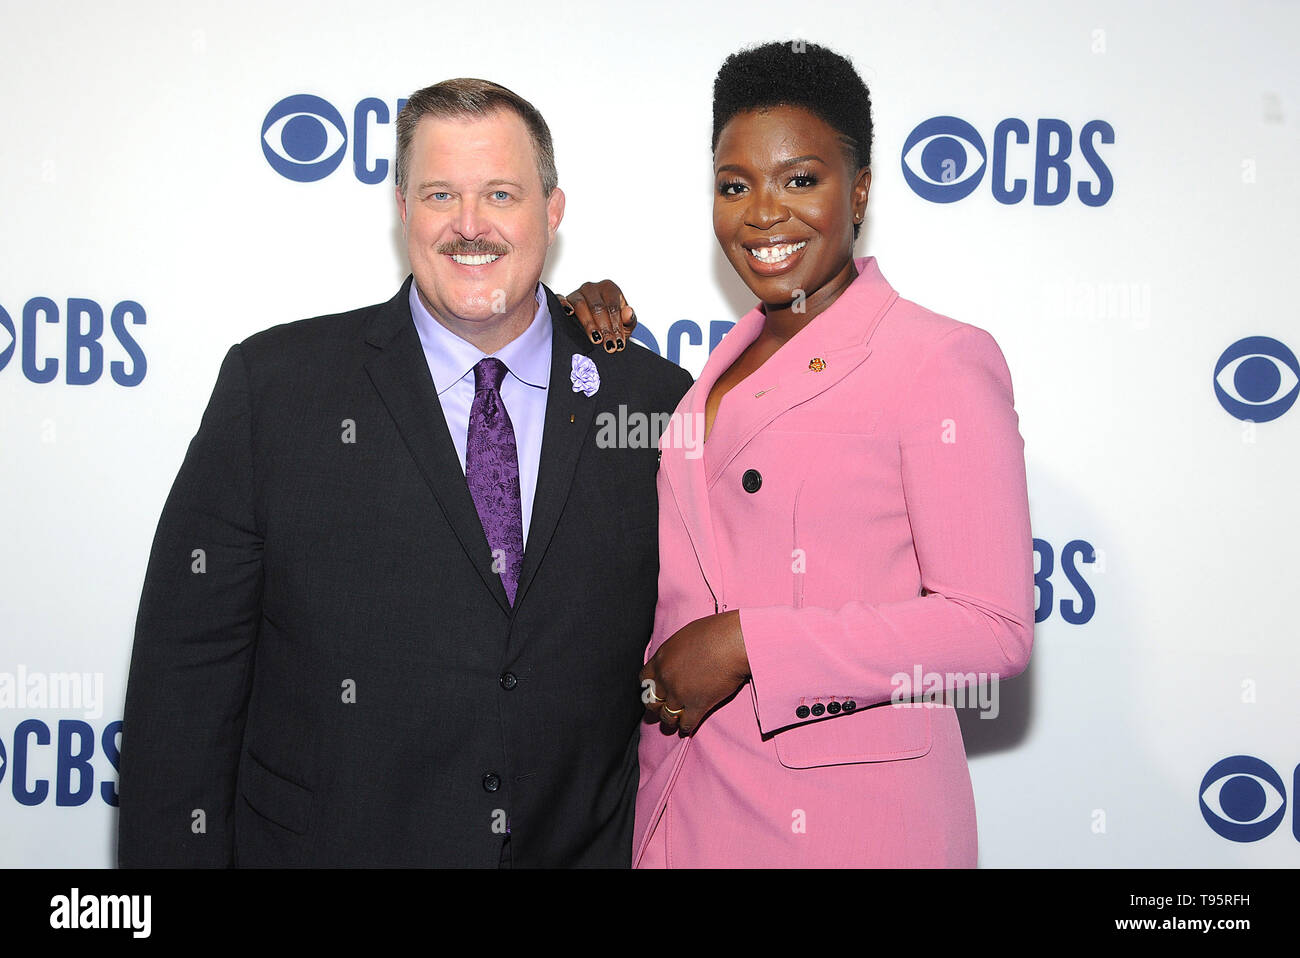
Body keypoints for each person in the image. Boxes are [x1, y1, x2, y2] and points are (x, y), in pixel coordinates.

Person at [117, 78, 691, 867]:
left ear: (552, 212)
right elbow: (185, 689)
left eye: (500, 193)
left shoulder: (655, 406)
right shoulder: (276, 389)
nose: (469, 225)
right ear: (402, 210)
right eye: (439, 194)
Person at [629, 41, 1034, 866]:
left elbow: (992, 631)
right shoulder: (710, 372)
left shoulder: (934, 359)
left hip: (850, 823)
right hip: (689, 802)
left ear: (860, 190)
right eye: (734, 185)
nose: (762, 213)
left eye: (800, 179)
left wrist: (750, 643)